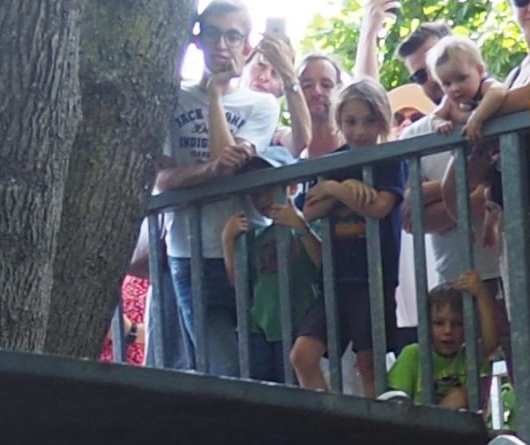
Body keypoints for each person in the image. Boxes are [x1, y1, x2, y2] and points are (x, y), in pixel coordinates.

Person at [153, 3, 290, 380]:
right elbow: (164, 180)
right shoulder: (172, 98)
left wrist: (215, 97)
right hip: (191, 254)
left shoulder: (261, 104)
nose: (222, 44)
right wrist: (212, 169)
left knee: (264, 369)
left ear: (246, 46)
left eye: (233, 36)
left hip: (252, 248)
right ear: (197, 40)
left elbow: (228, 166)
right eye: (212, 33)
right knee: (221, 369)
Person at [287, 80, 404, 395]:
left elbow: (379, 207)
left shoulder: (389, 158)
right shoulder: (334, 162)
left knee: (369, 365)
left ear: (383, 121)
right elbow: (309, 209)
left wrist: (336, 191)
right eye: (351, 122)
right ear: (339, 121)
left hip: (373, 277)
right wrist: (343, 190)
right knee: (302, 355)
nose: (360, 131)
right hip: (335, 277)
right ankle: (327, 419)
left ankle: (377, 422)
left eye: (369, 121)